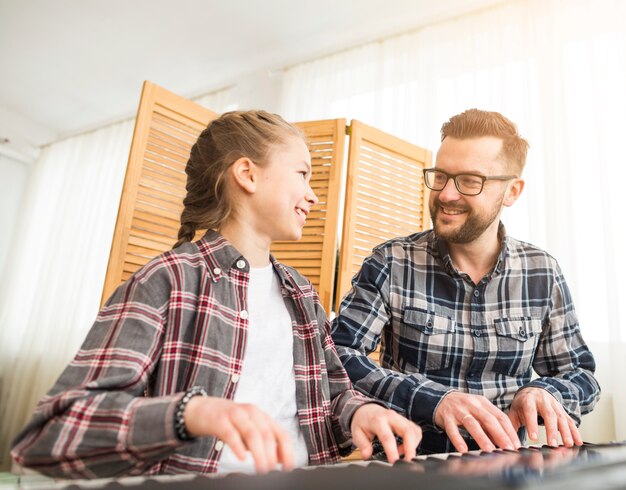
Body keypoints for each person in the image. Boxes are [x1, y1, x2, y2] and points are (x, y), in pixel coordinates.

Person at [11, 110, 422, 479]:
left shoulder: (301, 294)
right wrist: (192, 412)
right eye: (302, 174)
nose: (313, 194)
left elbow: (333, 395)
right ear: (247, 174)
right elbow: (52, 435)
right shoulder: (167, 281)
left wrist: (360, 412)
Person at [331, 108, 600, 455]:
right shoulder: (391, 262)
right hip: (408, 468)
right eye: (440, 176)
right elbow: (337, 355)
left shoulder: (542, 272)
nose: (445, 194)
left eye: (469, 181)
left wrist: (545, 392)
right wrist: (434, 401)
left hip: (505, 471)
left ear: (512, 191)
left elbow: (582, 375)